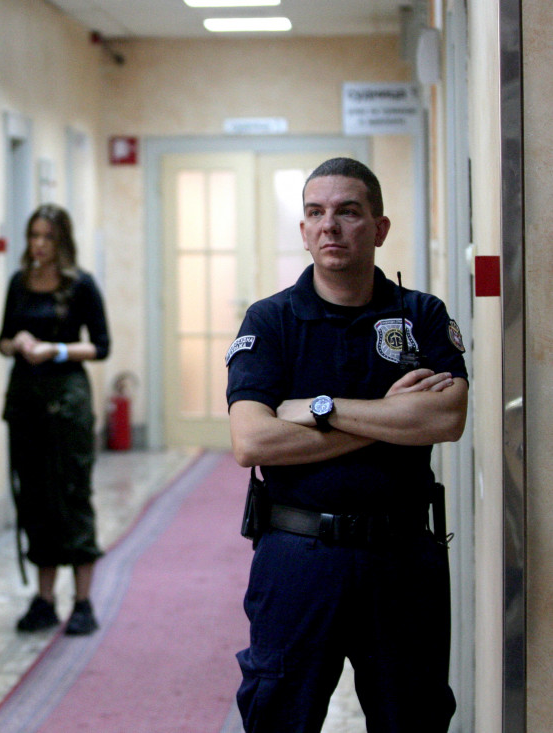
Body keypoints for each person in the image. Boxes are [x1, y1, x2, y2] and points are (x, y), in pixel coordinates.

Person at [226, 157, 468, 732]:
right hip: (298, 557)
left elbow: (447, 417)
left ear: (380, 228)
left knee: (415, 718)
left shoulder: (421, 316)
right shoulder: (271, 320)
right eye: (316, 213)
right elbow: (252, 439)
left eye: (348, 212)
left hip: (402, 556)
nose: (329, 225)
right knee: (278, 716)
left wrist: (321, 410)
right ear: (304, 230)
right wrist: (392, 417)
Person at [0, 204, 111, 636]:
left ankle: (82, 601)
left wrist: (56, 350)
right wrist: (19, 342)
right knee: (34, 497)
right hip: (25, 401)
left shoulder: (81, 284)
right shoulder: (18, 283)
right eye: (34, 236)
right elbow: (2, 340)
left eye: (47, 237)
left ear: (62, 240)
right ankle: (44, 600)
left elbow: (100, 346)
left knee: (72, 492)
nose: (39, 245)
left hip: (67, 401)